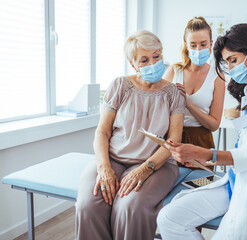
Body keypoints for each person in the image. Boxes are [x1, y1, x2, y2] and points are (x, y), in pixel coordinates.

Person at [157, 23, 247, 240]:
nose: (231, 68)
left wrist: (204, 154)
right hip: (238, 181)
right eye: (227, 63)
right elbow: (245, 146)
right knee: (169, 218)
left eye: (233, 60)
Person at [75, 30, 185, 240]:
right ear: (133, 64)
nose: (153, 63)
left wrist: (144, 169)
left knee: (129, 207)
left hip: (156, 165)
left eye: (156, 56)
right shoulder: (120, 86)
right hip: (113, 159)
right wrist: (104, 168)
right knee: (88, 204)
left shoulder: (173, 94)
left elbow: (173, 142)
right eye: (144, 60)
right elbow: (102, 131)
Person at [163, 17, 225, 170]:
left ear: (210, 44)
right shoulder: (174, 71)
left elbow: (214, 125)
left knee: (199, 187)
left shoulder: (217, 76)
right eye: (193, 45)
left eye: (203, 44)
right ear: (186, 46)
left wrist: (189, 105)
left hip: (201, 143)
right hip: (171, 139)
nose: (198, 49)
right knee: (168, 188)